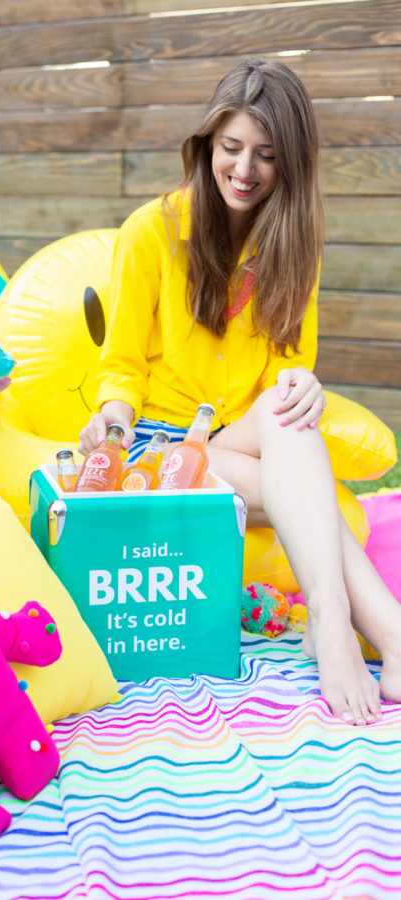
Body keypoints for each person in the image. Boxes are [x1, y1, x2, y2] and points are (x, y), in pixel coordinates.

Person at [78, 57, 401, 727]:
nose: (244, 170)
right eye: (231, 149)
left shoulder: (293, 246)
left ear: (290, 165)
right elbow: (120, 365)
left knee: (289, 414)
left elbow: (286, 367)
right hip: (160, 446)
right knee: (309, 492)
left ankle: (343, 624)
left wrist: (302, 382)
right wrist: (111, 424)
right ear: (206, 146)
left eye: (266, 155)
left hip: (241, 436)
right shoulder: (152, 233)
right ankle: (357, 627)